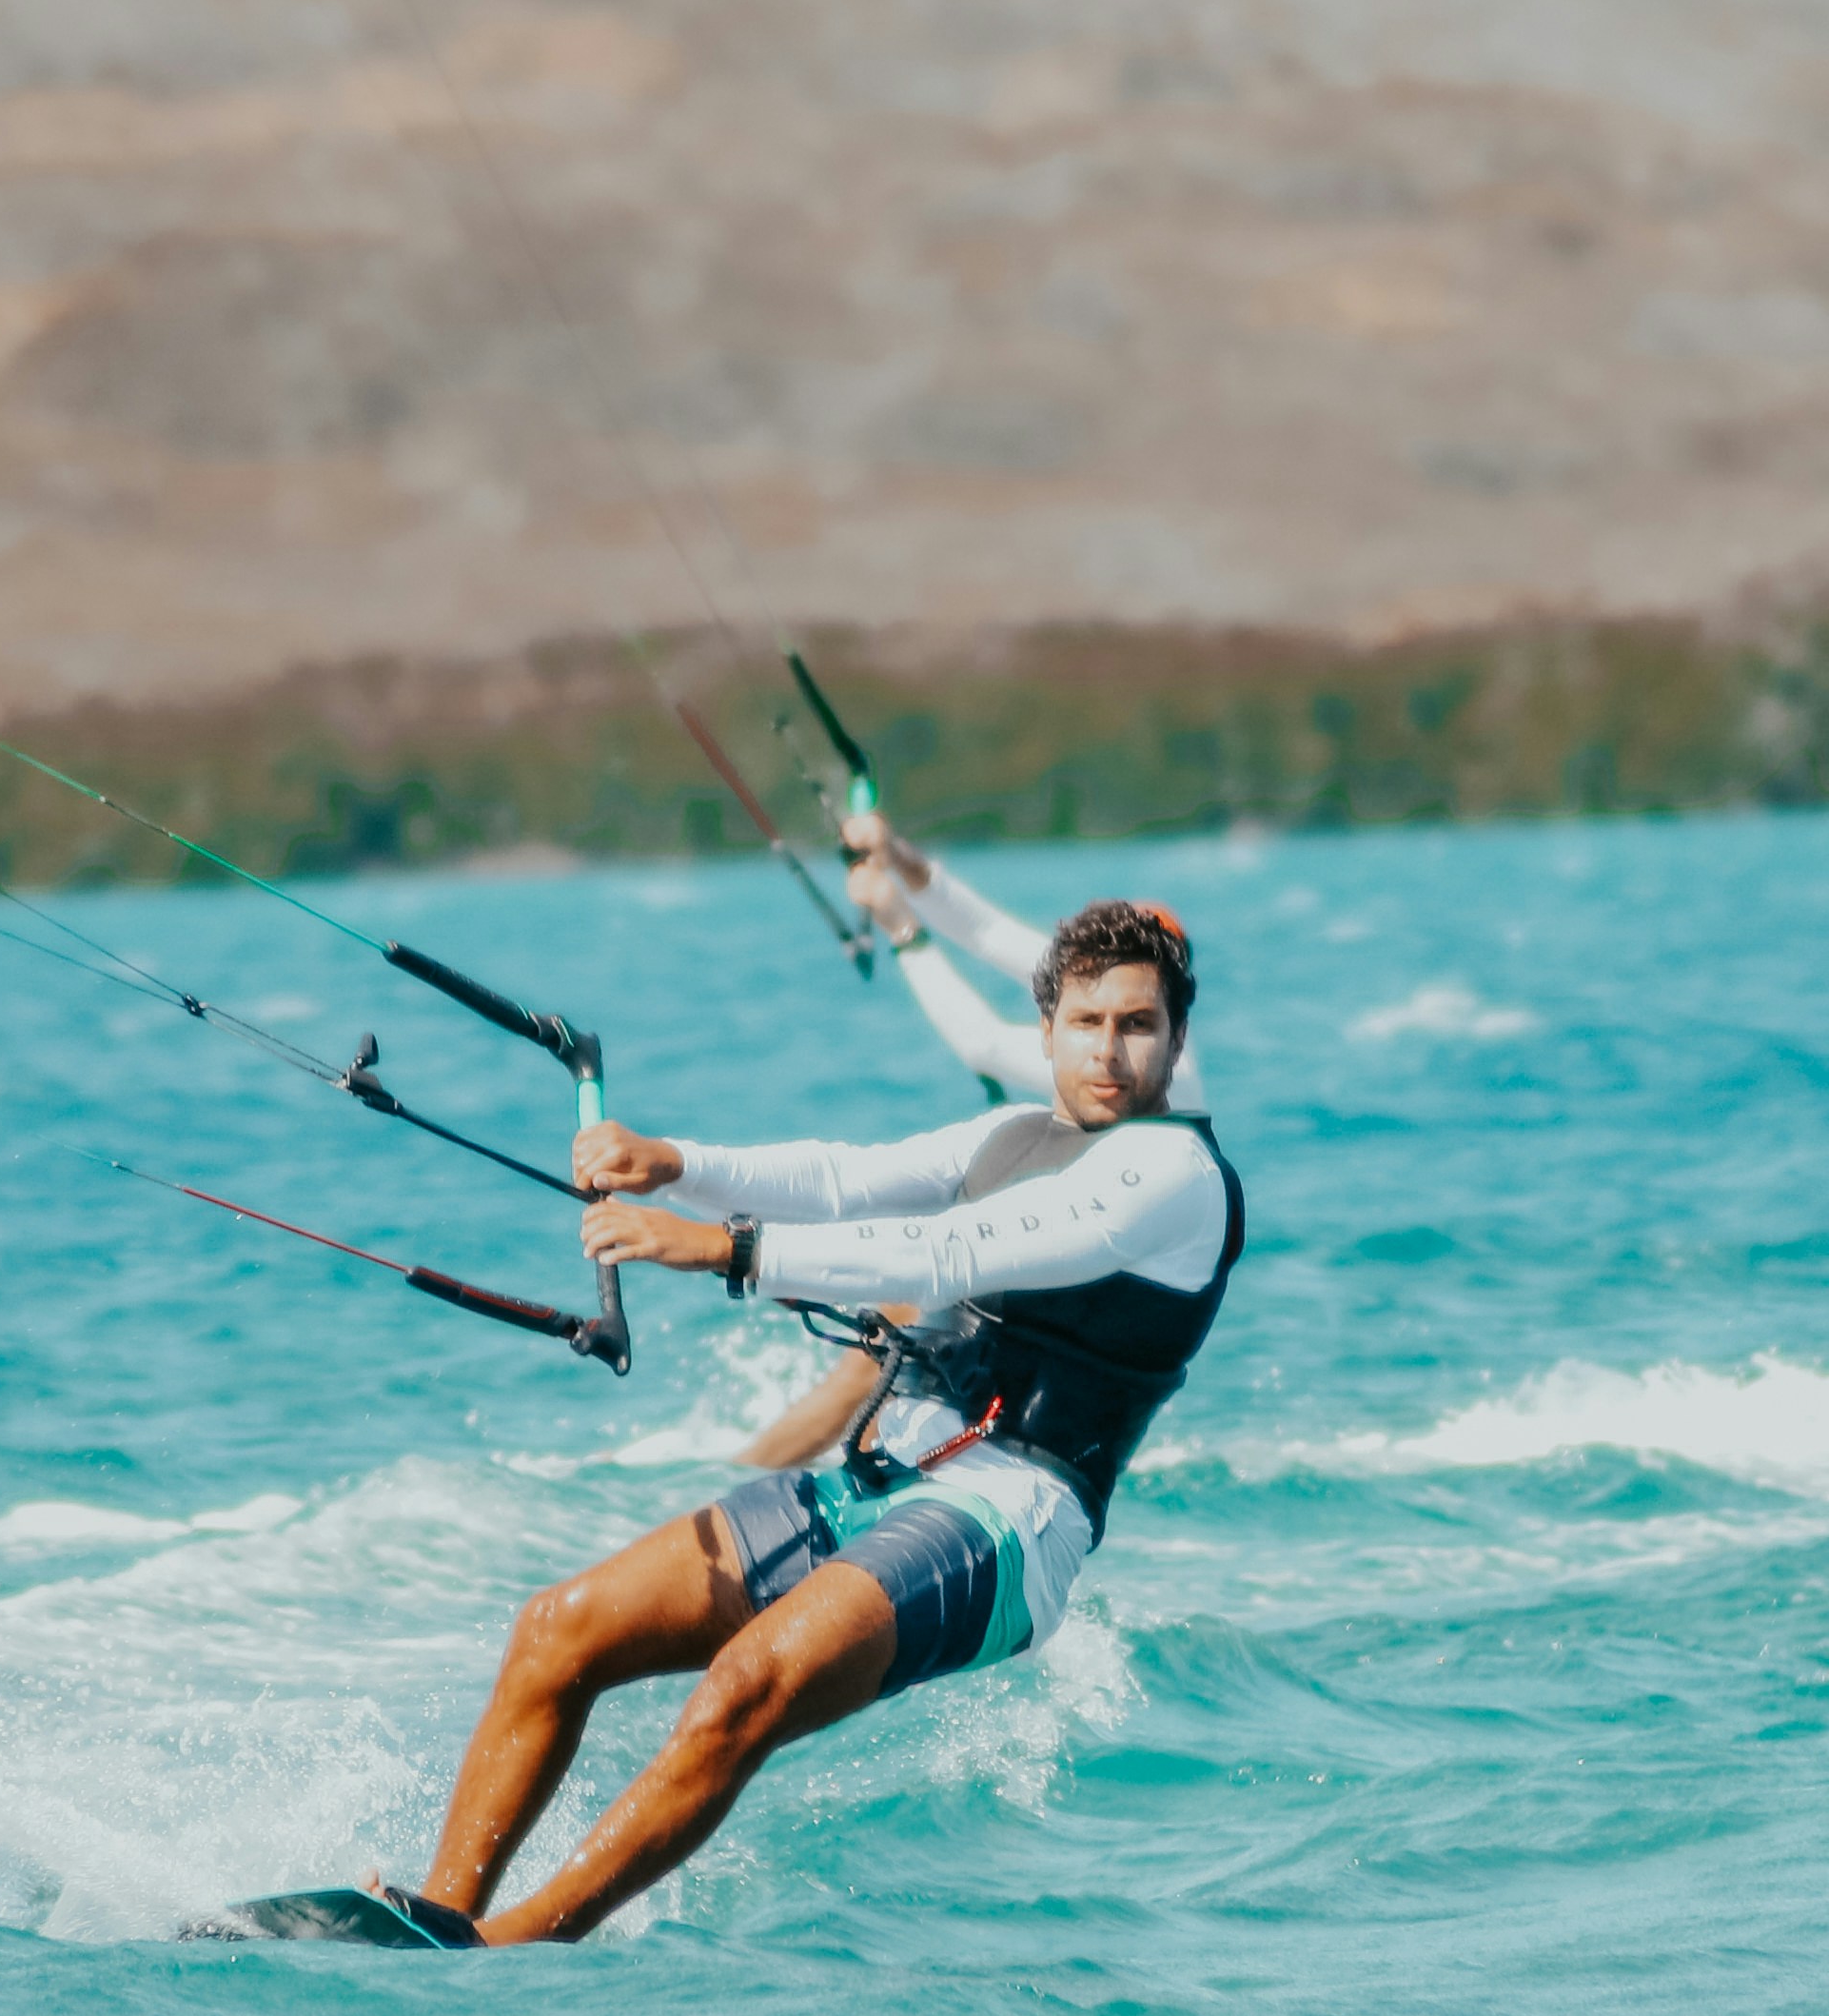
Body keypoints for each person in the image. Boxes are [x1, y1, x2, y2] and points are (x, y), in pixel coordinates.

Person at [395, 898, 1242, 1947]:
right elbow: (843, 1176)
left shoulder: (1177, 1176)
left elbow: (952, 1254)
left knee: (745, 1684)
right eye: (1086, 1022)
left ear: (1176, 1036)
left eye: (1137, 1024)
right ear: (1047, 1029)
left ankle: (509, 1946)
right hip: (879, 1478)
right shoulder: (1012, 1134)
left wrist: (726, 1249)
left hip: (1013, 1519)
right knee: (554, 1633)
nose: (1109, 1050)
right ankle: (436, 1923)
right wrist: (675, 1161)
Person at [842, 809, 1211, 1116]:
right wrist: (899, 857)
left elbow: (984, 1045)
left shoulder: (1167, 1071)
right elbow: (987, 929)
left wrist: (903, 930)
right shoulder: (1099, 976)